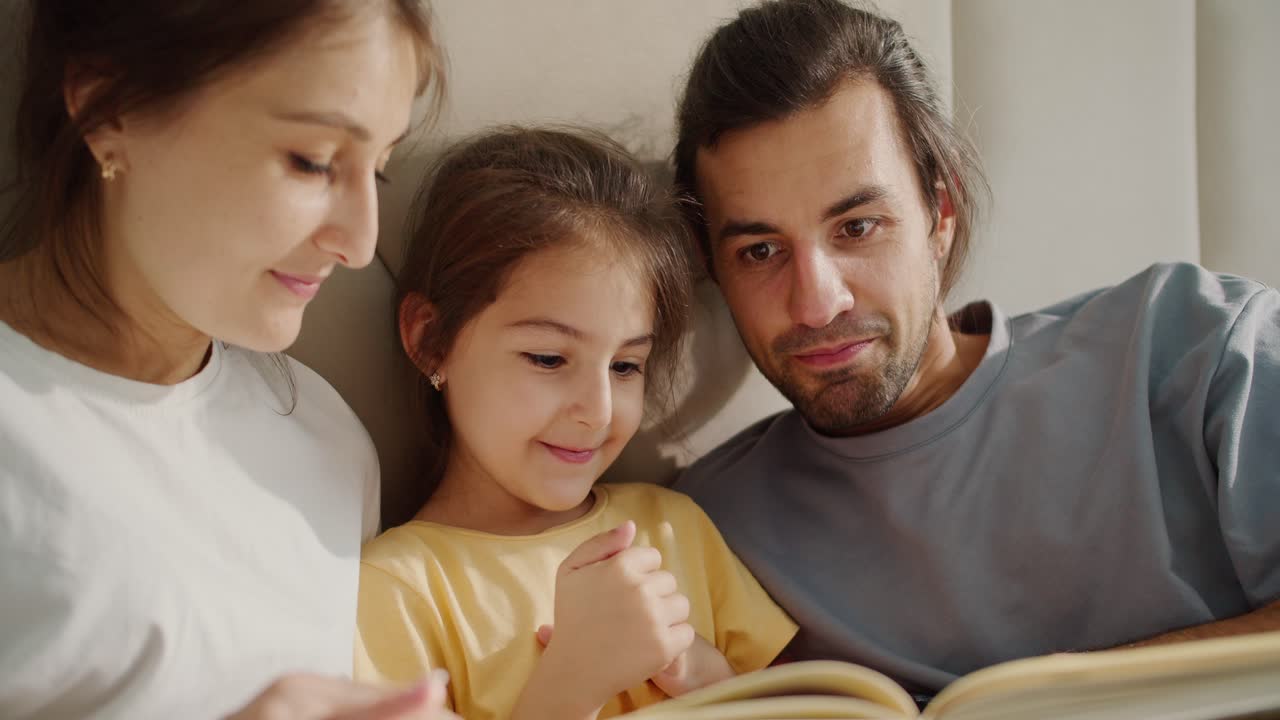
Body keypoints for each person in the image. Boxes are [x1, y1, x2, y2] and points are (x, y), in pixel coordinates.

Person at [669, 0, 1280, 697]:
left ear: (940, 216)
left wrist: (1054, 703)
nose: (817, 304)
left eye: (858, 227)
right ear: (710, 266)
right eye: (761, 250)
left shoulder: (1193, 343)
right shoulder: (708, 530)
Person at [0, 1, 458, 718]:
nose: (361, 243)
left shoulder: (327, 442)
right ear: (106, 110)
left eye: (381, 172)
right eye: (311, 161)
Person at [351, 127, 797, 719]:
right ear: (431, 340)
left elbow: (801, 706)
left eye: (626, 365)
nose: (599, 411)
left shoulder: (672, 529)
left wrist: (701, 673)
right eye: (549, 359)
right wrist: (570, 684)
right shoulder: (399, 590)